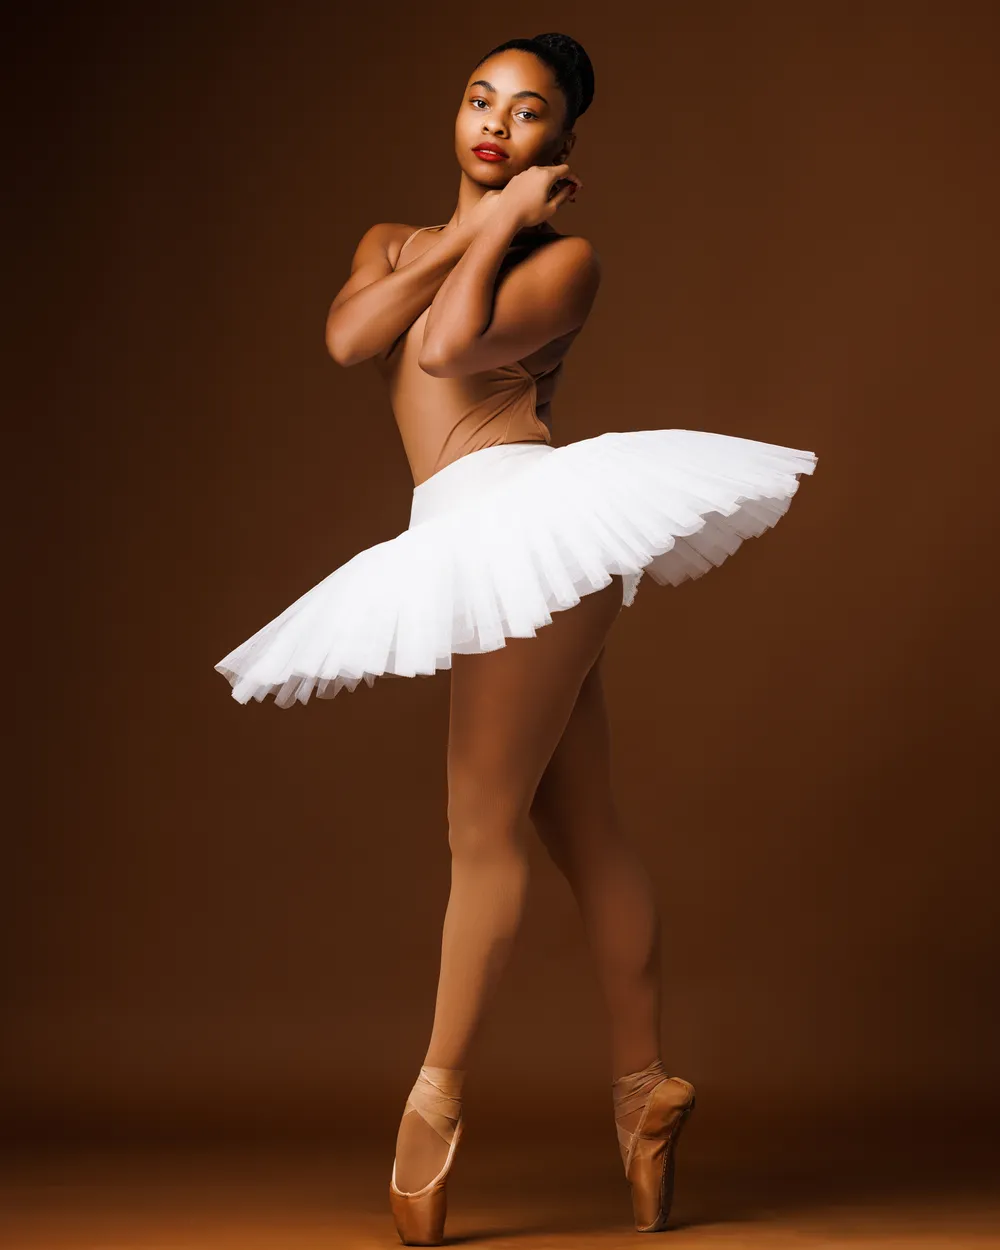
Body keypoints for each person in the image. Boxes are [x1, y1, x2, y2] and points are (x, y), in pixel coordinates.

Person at [214, 31, 817, 1245]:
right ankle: (646, 1094)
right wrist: (466, 225)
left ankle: (432, 1099)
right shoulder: (391, 242)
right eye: (480, 100)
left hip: (525, 524)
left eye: (528, 113)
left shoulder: (566, 260)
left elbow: (438, 345)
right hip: (461, 530)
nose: (496, 123)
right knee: (579, 824)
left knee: (477, 831)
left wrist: (498, 224)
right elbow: (348, 337)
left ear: (563, 144)